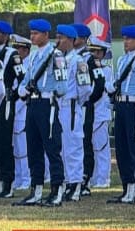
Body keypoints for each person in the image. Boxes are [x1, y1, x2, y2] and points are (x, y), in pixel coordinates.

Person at [13, 20, 68, 207]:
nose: (32, 36)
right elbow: (27, 79)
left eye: (36, 33)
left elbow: (62, 86)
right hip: (33, 104)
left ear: (46, 35)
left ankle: (57, 190)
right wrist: (22, 89)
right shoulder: (36, 57)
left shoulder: (56, 55)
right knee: (33, 148)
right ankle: (36, 190)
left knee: (52, 148)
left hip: (47, 104)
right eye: (31, 33)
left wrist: (51, 91)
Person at [56, 25, 89, 203]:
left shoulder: (79, 61)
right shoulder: (57, 59)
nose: (57, 40)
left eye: (61, 37)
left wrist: (75, 102)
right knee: (60, 147)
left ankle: (75, 185)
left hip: (70, 106)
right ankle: (65, 181)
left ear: (71, 39)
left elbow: (85, 88)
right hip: (58, 107)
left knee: (73, 147)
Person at [81, 36, 113, 196]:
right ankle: (92, 177)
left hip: (100, 113)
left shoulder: (106, 70)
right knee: (88, 147)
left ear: (102, 53)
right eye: (90, 50)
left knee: (101, 147)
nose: (92, 54)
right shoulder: (87, 66)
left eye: (95, 51)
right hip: (88, 113)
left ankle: (103, 178)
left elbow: (102, 90)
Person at [0, 21, 20, 197]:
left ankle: (8, 182)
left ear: (5, 35)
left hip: (5, 101)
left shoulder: (12, 54)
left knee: (4, 142)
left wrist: (14, 94)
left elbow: (22, 76)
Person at [10, 34, 32, 192]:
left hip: (23, 111)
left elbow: (25, 91)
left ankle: (26, 178)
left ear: (25, 50)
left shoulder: (28, 66)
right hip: (15, 112)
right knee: (16, 148)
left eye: (18, 48)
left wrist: (16, 106)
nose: (16, 51)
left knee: (24, 150)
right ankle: (18, 178)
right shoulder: (17, 65)